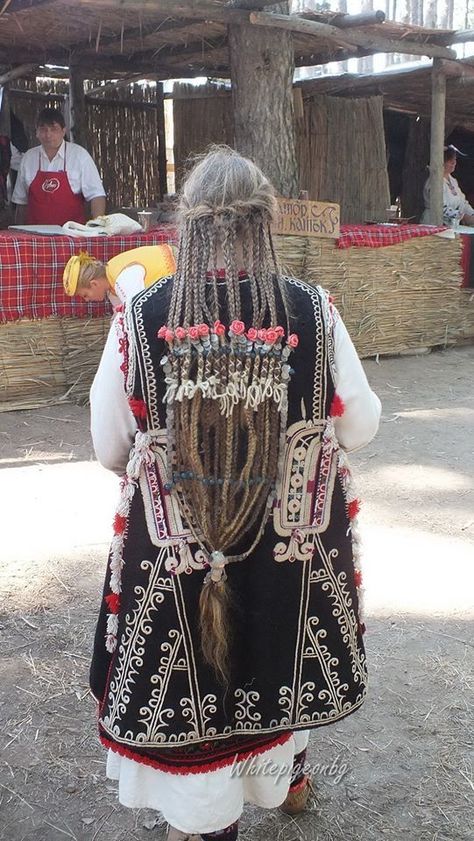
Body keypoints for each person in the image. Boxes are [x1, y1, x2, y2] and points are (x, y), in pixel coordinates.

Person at [89, 146, 381, 841]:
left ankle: (205, 824)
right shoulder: (312, 308)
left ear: (186, 227)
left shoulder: (141, 314)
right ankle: (286, 776)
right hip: (286, 556)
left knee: (192, 686)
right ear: (266, 221)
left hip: (177, 559)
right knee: (277, 655)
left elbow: (109, 448)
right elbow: (361, 426)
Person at [12, 108, 106, 226]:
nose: (48, 134)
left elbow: (96, 195)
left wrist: (97, 228)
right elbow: (21, 202)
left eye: (53, 129)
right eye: (43, 129)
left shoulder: (79, 156)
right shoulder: (28, 158)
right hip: (34, 237)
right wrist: (18, 232)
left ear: (63, 131)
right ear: (36, 132)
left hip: (71, 236)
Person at [62, 244, 176, 308]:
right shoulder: (111, 276)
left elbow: (137, 312)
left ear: (94, 284)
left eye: (85, 295)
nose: (87, 300)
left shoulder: (121, 280)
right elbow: (120, 317)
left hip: (181, 270)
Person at [422, 144, 474, 227]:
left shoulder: (453, 181)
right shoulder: (434, 183)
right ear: (441, 162)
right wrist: (464, 217)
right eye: (449, 160)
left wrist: (472, 214)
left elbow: (462, 203)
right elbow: (440, 208)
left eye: (454, 159)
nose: (454, 162)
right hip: (433, 224)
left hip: (451, 225)